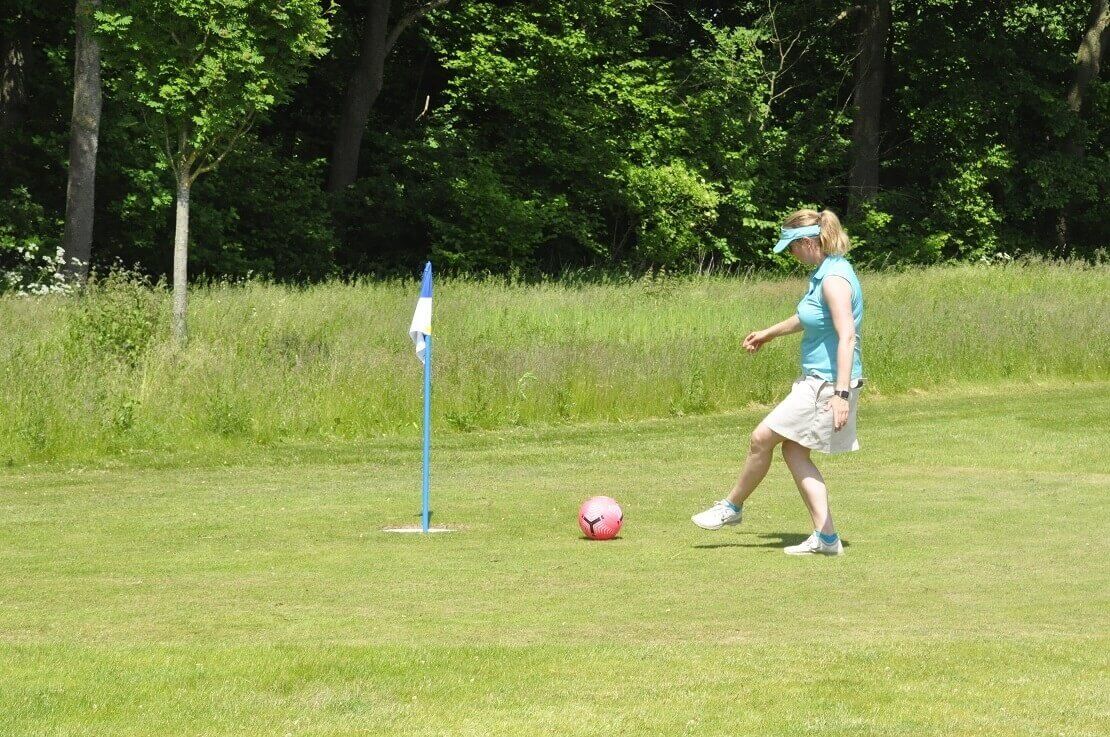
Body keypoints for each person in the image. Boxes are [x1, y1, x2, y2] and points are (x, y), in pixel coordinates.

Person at [691, 208, 864, 555]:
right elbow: (807, 317)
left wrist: (841, 394)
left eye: (793, 246)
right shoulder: (823, 273)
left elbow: (847, 337)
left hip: (826, 385)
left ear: (808, 241)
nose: (791, 254)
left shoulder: (834, 279)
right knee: (794, 451)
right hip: (819, 381)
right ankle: (827, 538)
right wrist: (768, 334)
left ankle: (732, 507)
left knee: (761, 438)